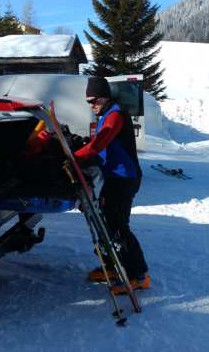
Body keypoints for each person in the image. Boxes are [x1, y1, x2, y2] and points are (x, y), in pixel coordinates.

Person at [73, 77, 149, 295]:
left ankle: (139, 275)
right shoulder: (105, 113)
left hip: (125, 179)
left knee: (118, 227)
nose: (90, 105)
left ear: (104, 96)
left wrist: (73, 157)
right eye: (88, 101)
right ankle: (114, 267)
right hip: (114, 178)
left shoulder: (115, 113)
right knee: (105, 223)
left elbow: (99, 145)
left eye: (93, 100)